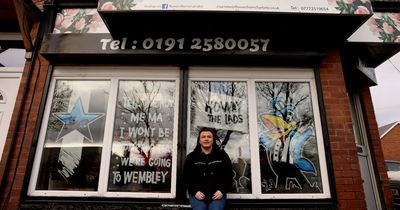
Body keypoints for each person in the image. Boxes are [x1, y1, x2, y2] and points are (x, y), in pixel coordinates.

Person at [184, 127, 233, 210]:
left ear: (213, 140)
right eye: (203, 137)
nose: (206, 139)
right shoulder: (191, 157)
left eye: (209, 137)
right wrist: (195, 192)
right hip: (198, 195)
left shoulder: (223, 156)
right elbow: (186, 178)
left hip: (217, 194)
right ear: (199, 141)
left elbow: (228, 176)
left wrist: (221, 191)